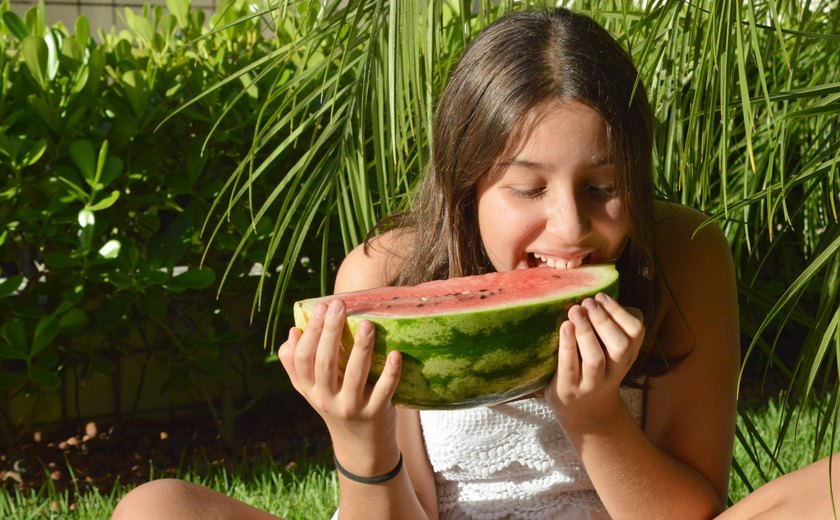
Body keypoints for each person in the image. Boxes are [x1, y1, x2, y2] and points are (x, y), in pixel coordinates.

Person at [111, 7, 838, 520]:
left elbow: (694, 511)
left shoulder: (685, 252)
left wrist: (593, 420)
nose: (569, 226)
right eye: (527, 188)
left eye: (605, 187)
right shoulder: (382, 274)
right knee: (156, 508)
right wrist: (358, 438)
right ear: (467, 183)